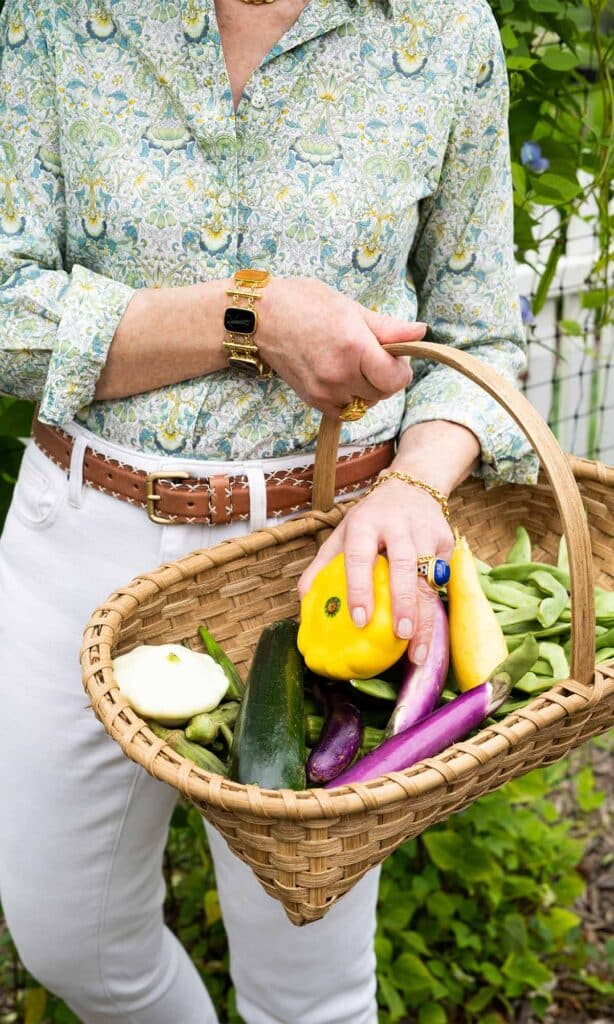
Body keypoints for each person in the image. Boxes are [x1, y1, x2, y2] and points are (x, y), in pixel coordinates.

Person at [0, 0, 537, 1021]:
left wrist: (414, 484)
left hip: (325, 550)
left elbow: (479, 338)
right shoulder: (54, 14)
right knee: (65, 934)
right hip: (81, 533)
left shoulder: (443, 29)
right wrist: (246, 315)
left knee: (311, 977)